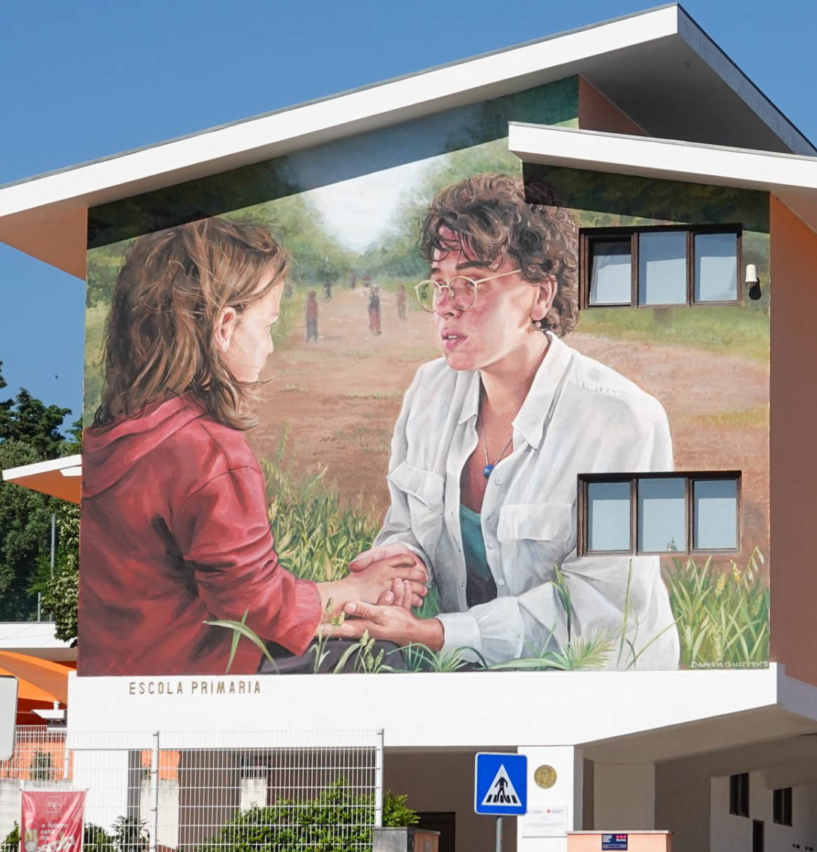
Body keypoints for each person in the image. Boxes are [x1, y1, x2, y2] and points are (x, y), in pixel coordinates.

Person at [336, 173, 679, 670]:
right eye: (438, 282)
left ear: (541, 297)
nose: (446, 304)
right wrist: (399, 566)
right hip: (471, 680)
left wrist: (435, 634)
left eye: (472, 283)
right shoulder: (428, 392)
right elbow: (408, 527)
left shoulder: (624, 423)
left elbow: (600, 612)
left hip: (601, 693)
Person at [80, 217, 423, 675]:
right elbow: (256, 607)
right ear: (224, 328)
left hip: (122, 672)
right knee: (380, 657)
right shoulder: (210, 454)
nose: (270, 348)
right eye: (267, 326)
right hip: (195, 675)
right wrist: (358, 589)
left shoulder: (106, 440)